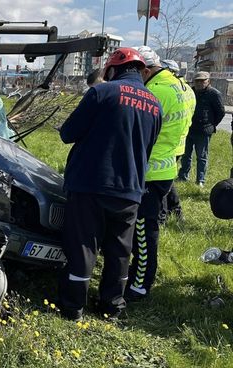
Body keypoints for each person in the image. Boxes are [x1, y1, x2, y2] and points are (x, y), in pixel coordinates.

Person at [57, 47, 162, 320]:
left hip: (91, 184)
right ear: (142, 71)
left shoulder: (101, 92)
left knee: (83, 245)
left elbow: (68, 134)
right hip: (131, 188)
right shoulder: (154, 104)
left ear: (112, 70)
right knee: (119, 251)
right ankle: (112, 306)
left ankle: (73, 307)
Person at [125, 47, 196, 301]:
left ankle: (140, 284)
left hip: (150, 169)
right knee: (146, 227)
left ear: (147, 70)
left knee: (143, 231)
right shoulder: (184, 88)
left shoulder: (154, 93)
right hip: (168, 166)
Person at [159, 59, 196, 223]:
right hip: (179, 141)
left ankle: (164, 214)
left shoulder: (168, 90)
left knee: (161, 183)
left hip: (167, 142)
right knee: (168, 181)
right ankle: (176, 211)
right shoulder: (187, 89)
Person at [178, 71, 226, 187]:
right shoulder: (190, 91)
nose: (199, 83)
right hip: (189, 128)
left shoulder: (214, 94)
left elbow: (221, 112)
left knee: (202, 156)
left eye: (202, 81)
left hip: (204, 130)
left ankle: (200, 180)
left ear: (208, 81)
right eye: (197, 81)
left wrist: (211, 124)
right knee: (185, 154)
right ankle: (183, 176)